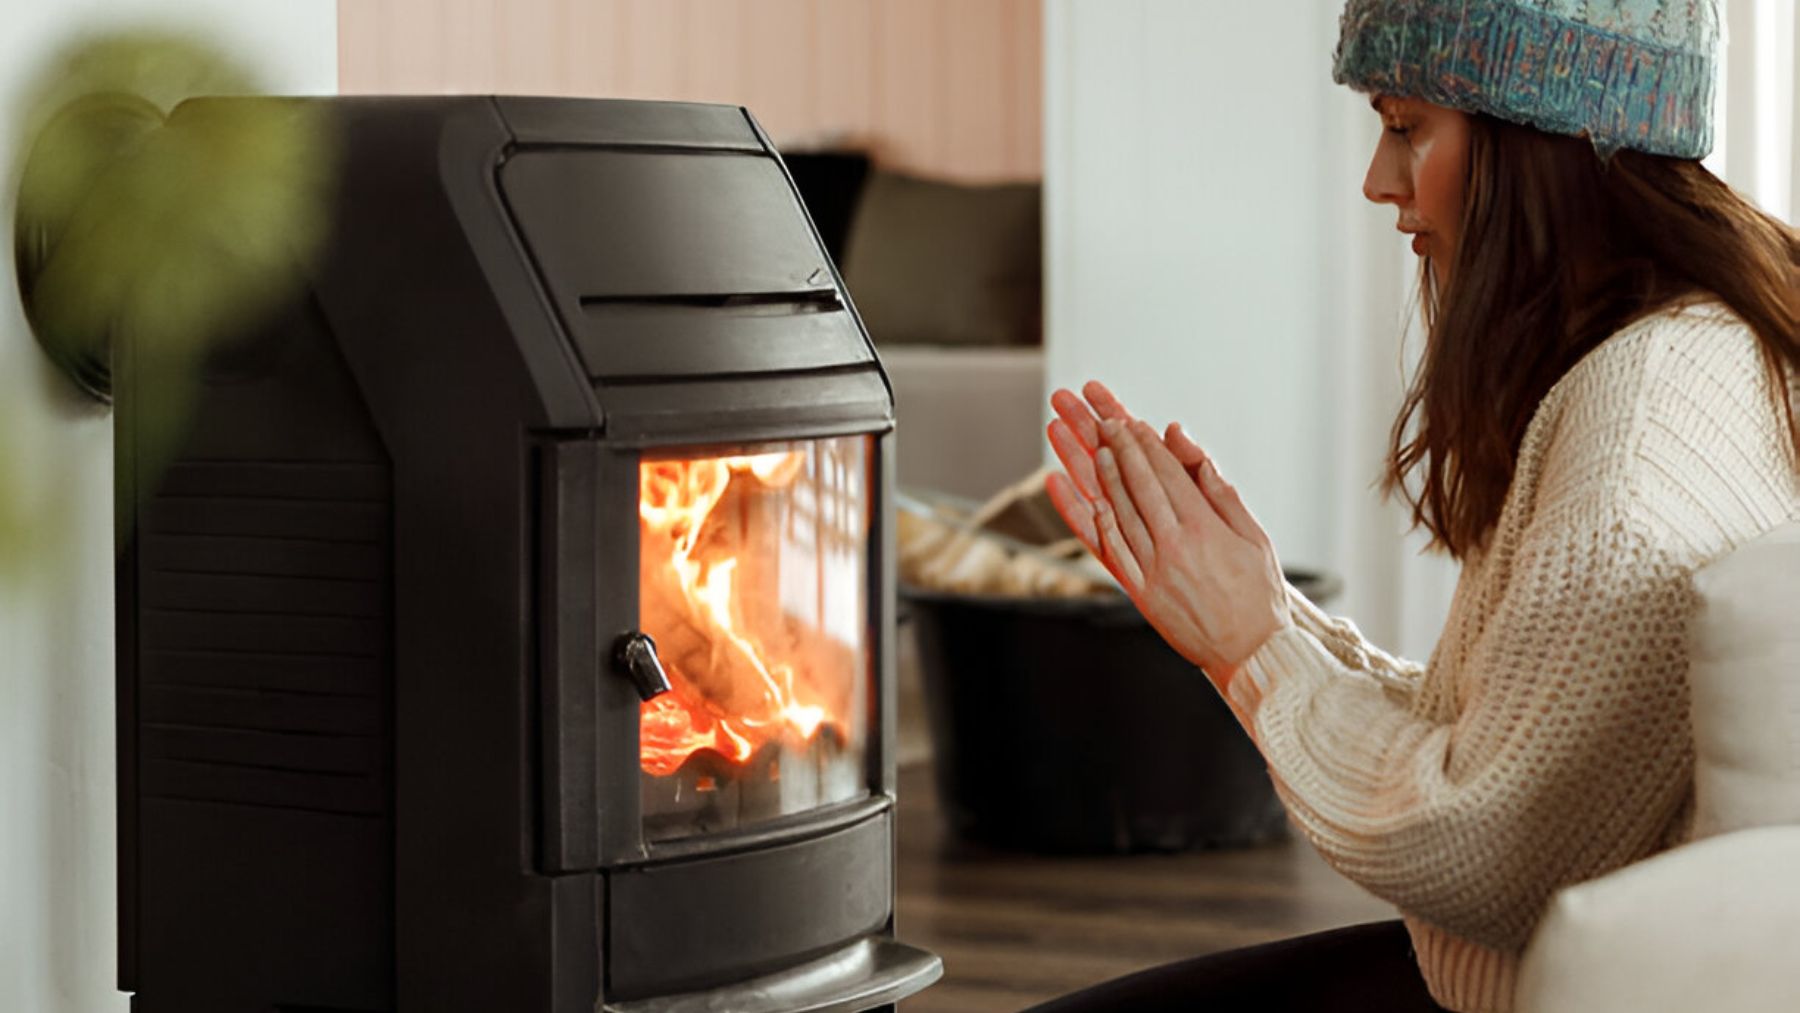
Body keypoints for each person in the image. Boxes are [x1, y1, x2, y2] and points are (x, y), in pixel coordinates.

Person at [1032, 1, 1799, 1011]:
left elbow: (1485, 844)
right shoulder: (1705, 343)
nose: (1378, 181)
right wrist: (1272, 614)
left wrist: (1250, 642)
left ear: (1545, 136)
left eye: (1406, 127)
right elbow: (1516, 741)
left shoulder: (1633, 446)